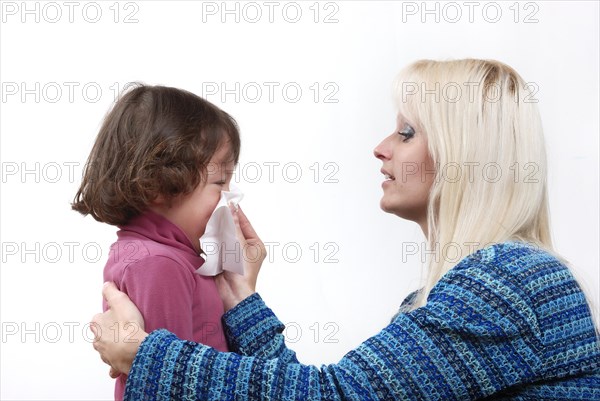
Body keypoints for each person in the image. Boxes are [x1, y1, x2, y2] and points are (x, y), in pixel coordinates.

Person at [90, 59, 600, 400]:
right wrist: (241, 300)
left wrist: (146, 355)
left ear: (463, 155)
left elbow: (337, 396)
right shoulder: (450, 295)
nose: (381, 147)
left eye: (406, 132)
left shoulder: (507, 284)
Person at [72, 84, 240, 400]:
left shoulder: (169, 256)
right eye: (220, 182)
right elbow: (165, 383)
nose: (230, 198)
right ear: (158, 186)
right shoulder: (159, 264)